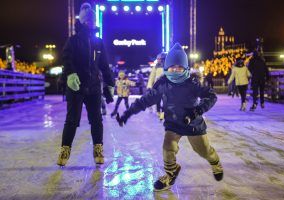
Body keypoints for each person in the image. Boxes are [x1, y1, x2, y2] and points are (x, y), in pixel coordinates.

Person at [116, 43, 223, 191]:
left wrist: (197, 111)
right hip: (173, 123)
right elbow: (146, 100)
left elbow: (211, 96)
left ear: (185, 68)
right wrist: (128, 113)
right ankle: (171, 173)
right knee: (168, 148)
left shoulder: (192, 83)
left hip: (193, 123)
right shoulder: (163, 84)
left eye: (179, 67)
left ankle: (215, 162)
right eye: (172, 67)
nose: (175, 70)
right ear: (166, 68)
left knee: (203, 151)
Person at [57, 2, 115, 166]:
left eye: (92, 20)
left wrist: (109, 82)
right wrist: (70, 74)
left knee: (96, 119)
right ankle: (65, 149)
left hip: (94, 86)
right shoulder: (73, 40)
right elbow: (67, 59)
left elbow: (104, 64)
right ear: (82, 21)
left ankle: (98, 149)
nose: (91, 22)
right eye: (87, 20)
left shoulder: (98, 42)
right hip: (76, 86)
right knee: (72, 120)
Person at [147, 52, 167, 120]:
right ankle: (158, 111)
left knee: (165, 100)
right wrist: (149, 86)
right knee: (158, 99)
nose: (158, 60)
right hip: (157, 86)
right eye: (157, 59)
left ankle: (163, 112)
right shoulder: (156, 67)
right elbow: (152, 77)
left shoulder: (168, 66)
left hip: (166, 86)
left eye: (160, 59)